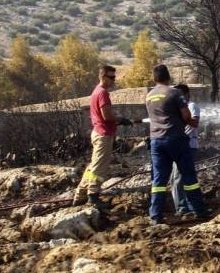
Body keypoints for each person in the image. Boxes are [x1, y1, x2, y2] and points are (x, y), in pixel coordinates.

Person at [146, 64, 207, 224]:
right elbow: (186, 116)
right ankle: (199, 211)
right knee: (188, 177)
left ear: (154, 78)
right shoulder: (175, 93)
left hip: (156, 142)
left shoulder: (149, 96)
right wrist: (192, 122)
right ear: (168, 77)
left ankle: (155, 216)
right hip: (176, 140)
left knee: (159, 181)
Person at [73, 65, 134, 208]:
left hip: (99, 132)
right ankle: (92, 197)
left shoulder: (97, 91)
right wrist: (120, 119)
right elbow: (107, 116)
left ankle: (80, 195)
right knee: (99, 167)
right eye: (111, 77)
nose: (114, 80)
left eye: (114, 77)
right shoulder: (102, 93)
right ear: (103, 77)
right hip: (103, 135)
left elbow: (104, 115)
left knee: (93, 165)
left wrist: (118, 118)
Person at [169, 83, 200, 216]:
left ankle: (183, 207)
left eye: (180, 94)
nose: (178, 97)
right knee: (179, 177)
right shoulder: (177, 108)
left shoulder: (191, 106)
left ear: (187, 95)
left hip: (188, 145)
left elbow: (194, 122)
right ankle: (188, 206)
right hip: (179, 145)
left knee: (178, 177)